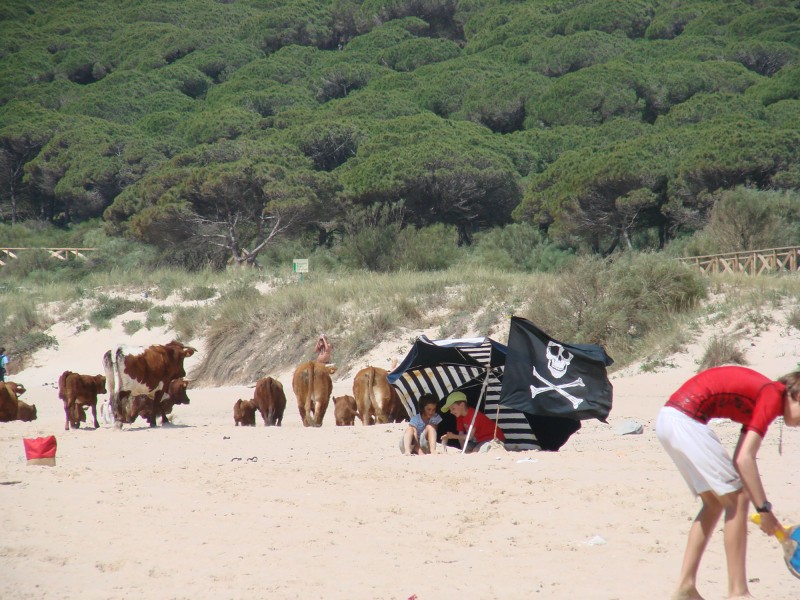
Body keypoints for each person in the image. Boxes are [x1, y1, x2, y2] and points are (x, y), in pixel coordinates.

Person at [655, 365, 800, 600]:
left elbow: (739, 458)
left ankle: (686, 587)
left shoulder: (765, 396)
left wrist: (763, 510)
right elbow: (745, 459)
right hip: (686, 420)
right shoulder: (773, 394)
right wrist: (764, 510)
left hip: (669, 420)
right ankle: (738, 592)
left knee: (715, 503)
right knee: (737, 498)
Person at [439, 391, 505, 452]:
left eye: (453, 408)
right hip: (478, 440)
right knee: (467, 449)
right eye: (450, 410)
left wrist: (453, 436)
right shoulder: (459, 417)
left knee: (476, 451)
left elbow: (469, 436)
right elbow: (460, 435)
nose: (451, 412)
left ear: (462, 405)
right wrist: (463, 450)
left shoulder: (472, 415)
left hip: (493, 437)